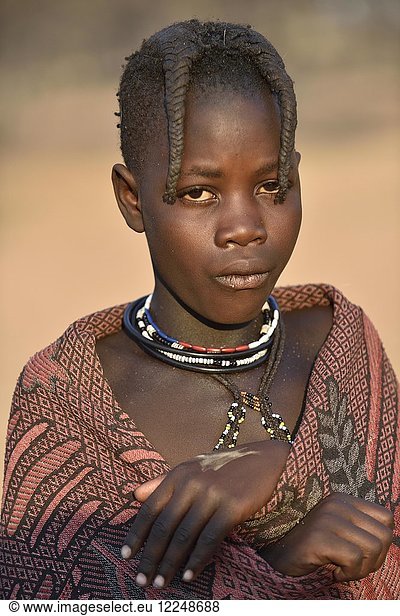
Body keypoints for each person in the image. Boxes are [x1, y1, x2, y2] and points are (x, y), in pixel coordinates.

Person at [0, 20, 398, 600]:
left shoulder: (344, 345)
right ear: (132, 199)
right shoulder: (69, 401)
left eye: (271, 185)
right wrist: (281, 567)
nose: (245, 226)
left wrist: (276, 465)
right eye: (198, 193)